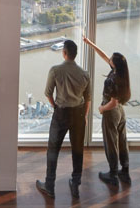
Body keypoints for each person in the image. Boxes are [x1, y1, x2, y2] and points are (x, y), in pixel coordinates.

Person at [36, 40, 90, 199]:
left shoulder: (55, 70)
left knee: (53, 149)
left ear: (64, 53)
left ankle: (50, 186)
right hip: (79, 114)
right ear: (75, 54)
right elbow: (88, 99)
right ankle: (75, 185)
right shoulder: (84, 74)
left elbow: (48, 93)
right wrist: (85, 116)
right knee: (78, 150)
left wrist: (55, 107)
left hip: (61, 113)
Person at [83, 36, 131, 186]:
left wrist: (102, 109)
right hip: (121, 112)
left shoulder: (112, 79)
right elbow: (104, 55)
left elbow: (113, 102)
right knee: (122, 140)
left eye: (111, 59)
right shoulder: (122, 74)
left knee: (111, 142)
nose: (108, 59)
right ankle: (125, 170)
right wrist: (90, 43)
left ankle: (112, 174)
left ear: (114, 64)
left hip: (111, 112)